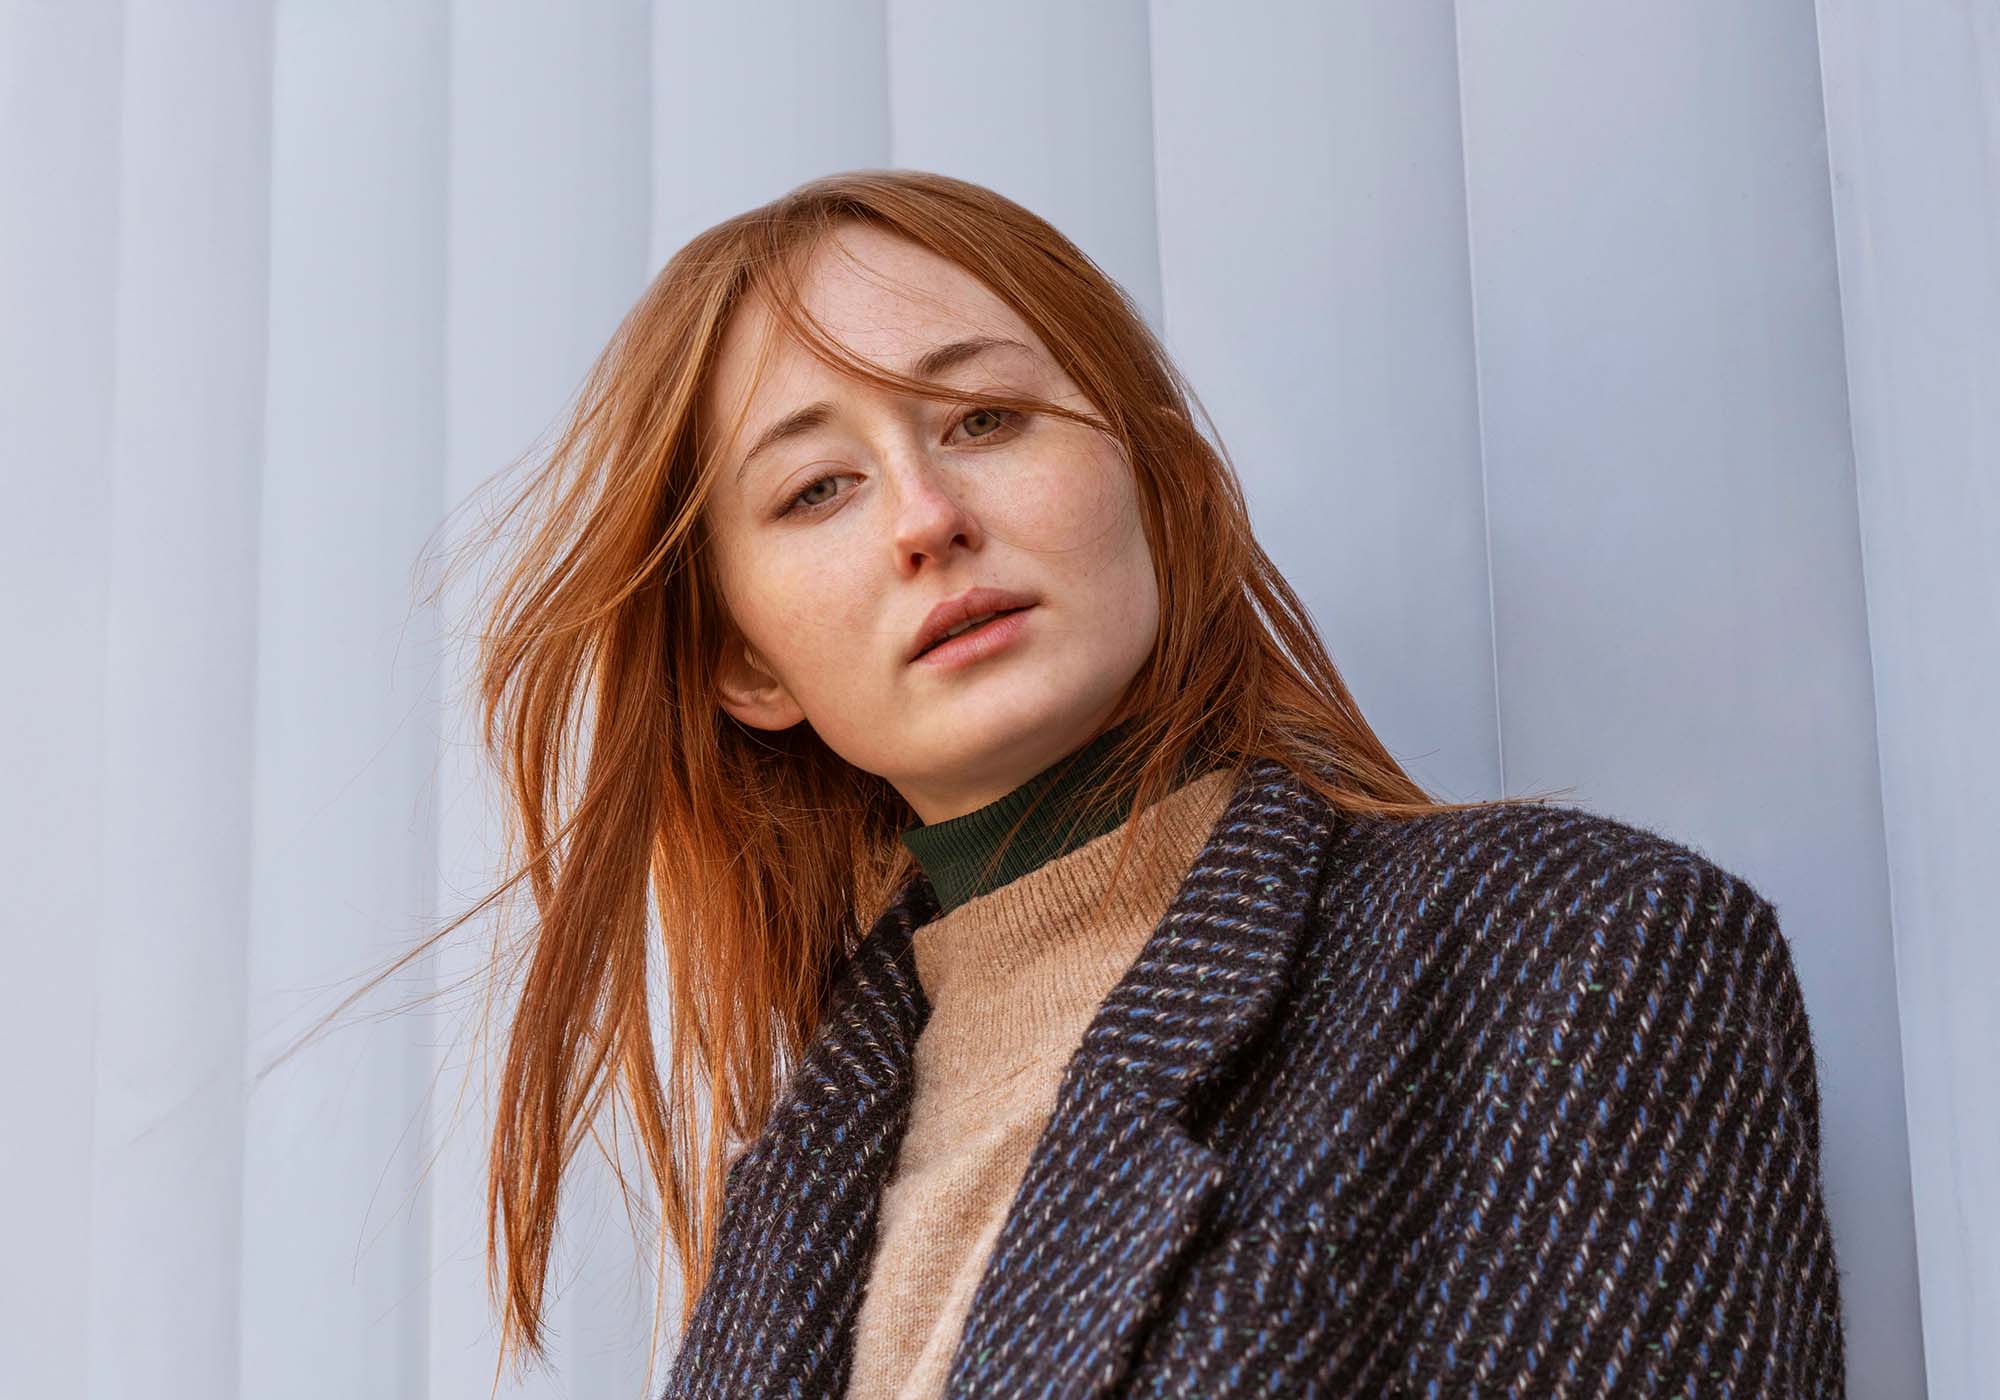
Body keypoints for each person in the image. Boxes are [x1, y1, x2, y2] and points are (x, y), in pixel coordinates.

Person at [438, 169, 1844, 1396]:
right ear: (745, 662)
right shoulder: (803, 1174)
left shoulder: (1574, 948)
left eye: (985, 417)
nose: (928, 517)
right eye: (817, 489)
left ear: (1155, 479)